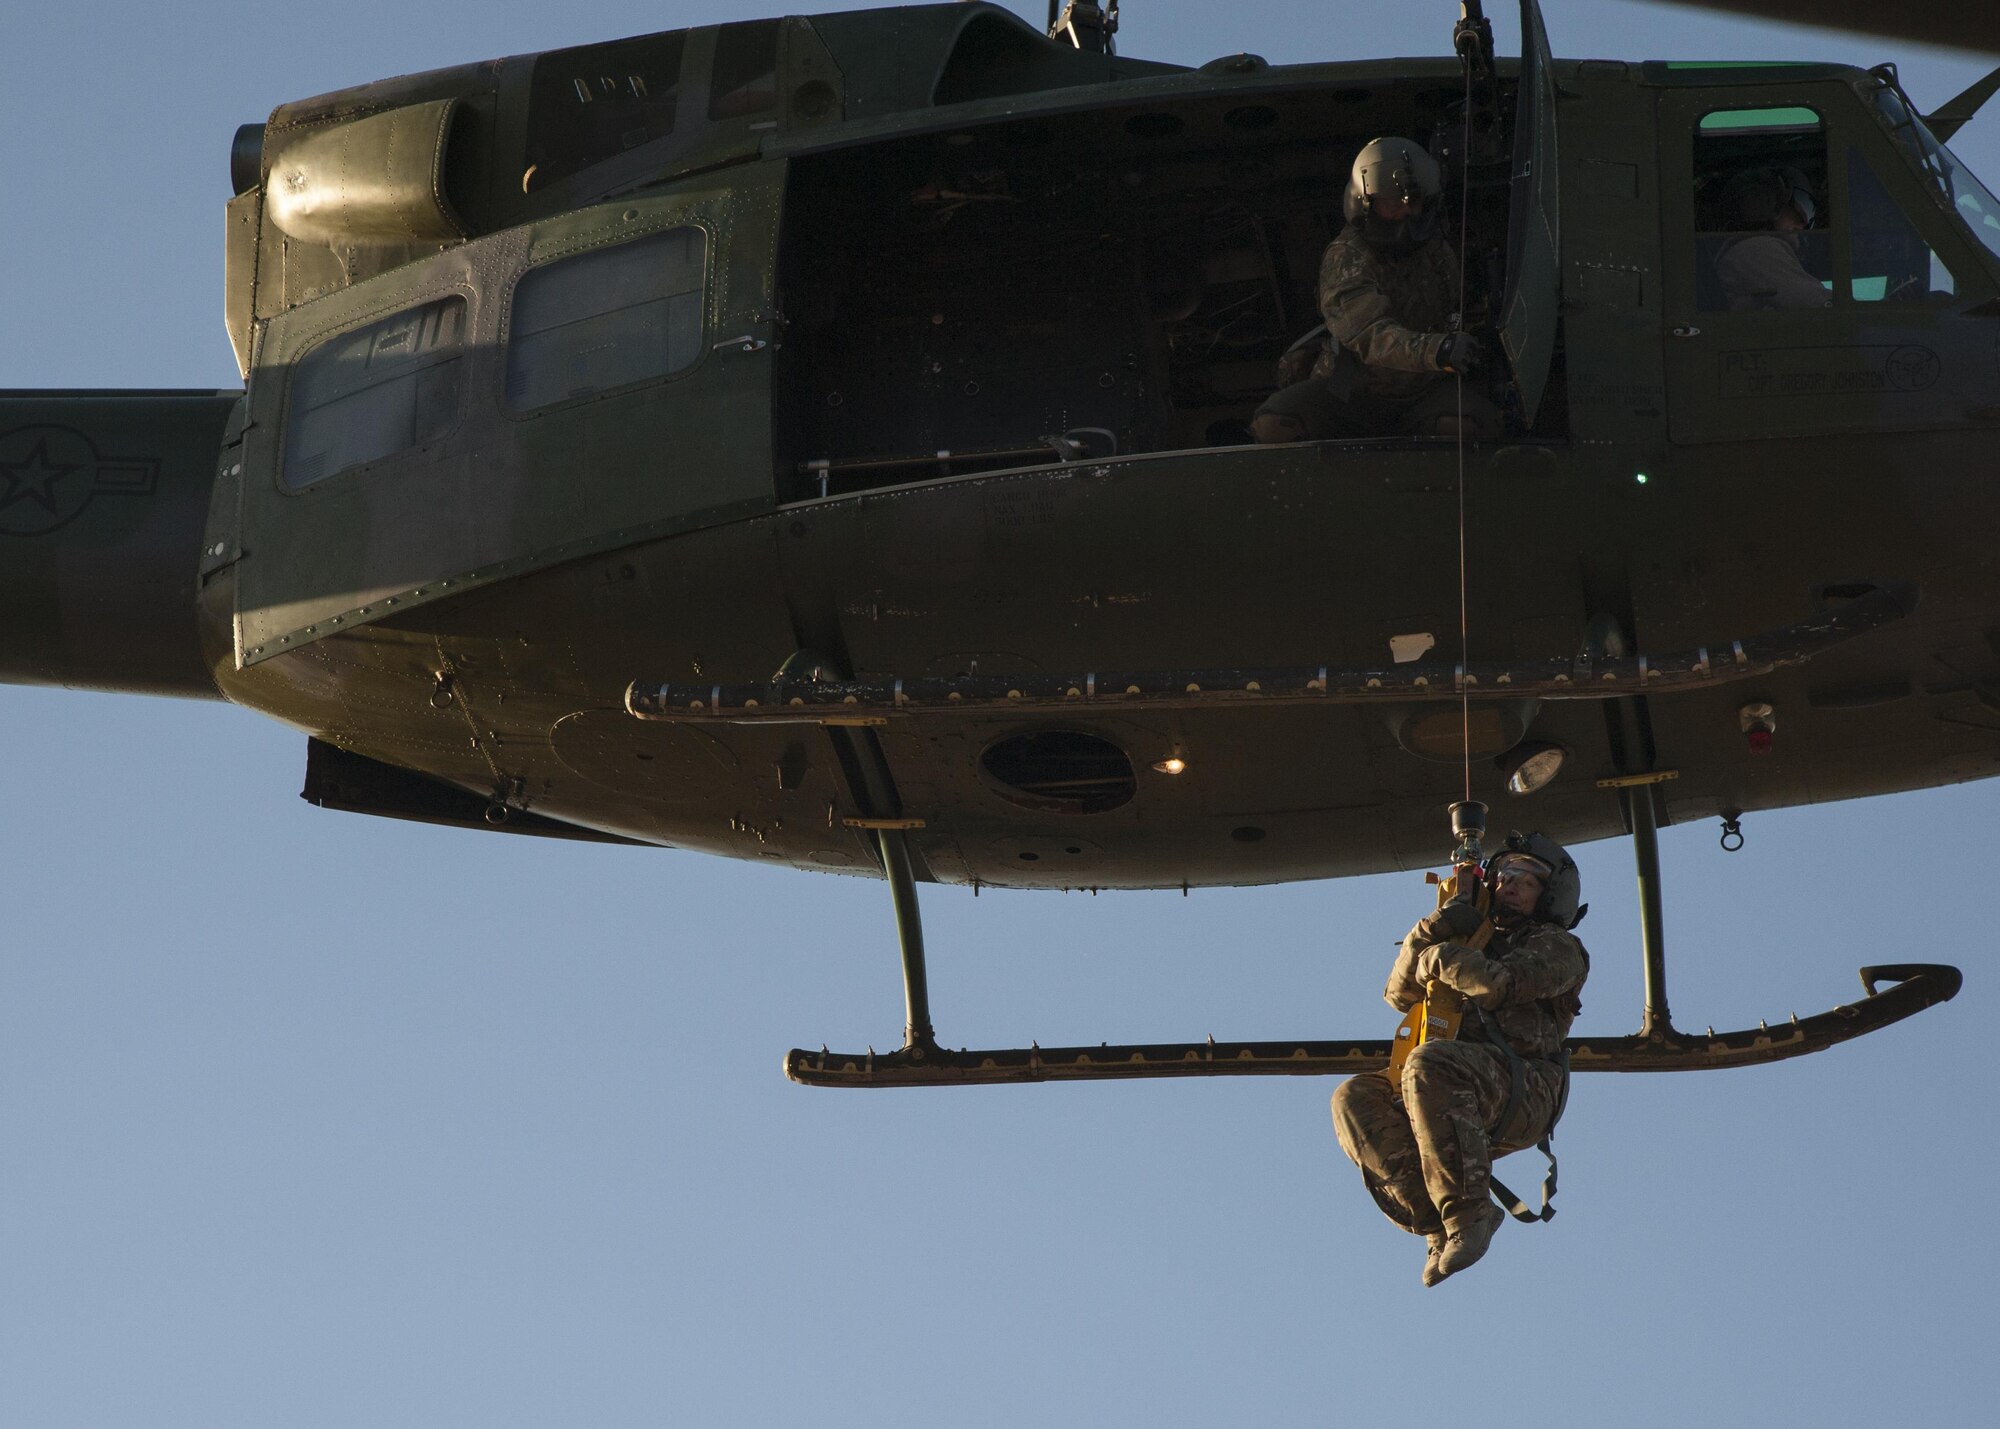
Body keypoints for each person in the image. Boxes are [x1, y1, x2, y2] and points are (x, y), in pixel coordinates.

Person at [1330, 833, 1589, 1285]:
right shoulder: (1475, 937)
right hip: (1451, 1081)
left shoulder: (1558, 946)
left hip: (1522, 1088)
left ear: (1550, 895)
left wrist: (1441, 955)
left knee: (1432, 1063)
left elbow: (1499, 984)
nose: (1511, 884)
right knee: (1355, 1096)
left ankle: (1466, 1214)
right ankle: (1439, 1224)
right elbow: (1399, 994)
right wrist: (1435, 927)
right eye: (1505, 874)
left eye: (1527, 879)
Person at [1251, 136, 1501, 443]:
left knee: (1476, 426)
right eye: (1393, 205)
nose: (1405, 214)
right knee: (1276, 423)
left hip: (1423, 390)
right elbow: (1369, 335)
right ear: (1367, 203)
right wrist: (1438, 350)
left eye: (1414, 203)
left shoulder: (1437, 248)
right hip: (1351, 394)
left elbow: (1457, 306)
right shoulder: (1347, 256)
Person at [1712, 166, 1832, 311]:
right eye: (1803, 203)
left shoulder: (1745, 251)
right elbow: (1814, 302)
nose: (1805, 222)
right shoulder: (1756, 249)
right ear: (1764, 201)